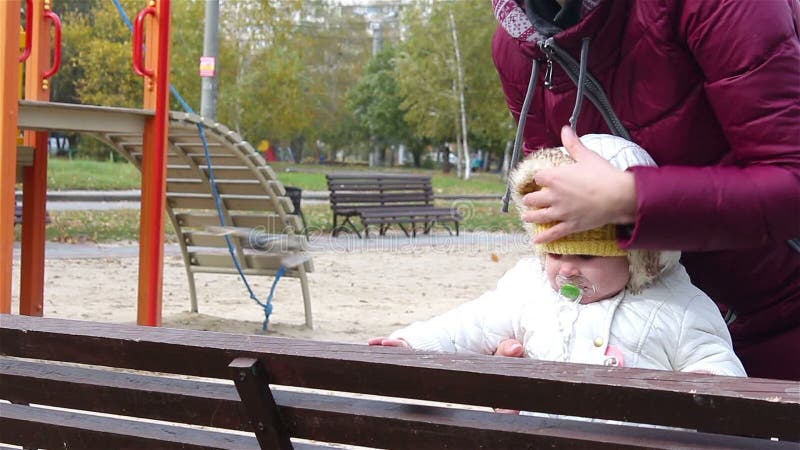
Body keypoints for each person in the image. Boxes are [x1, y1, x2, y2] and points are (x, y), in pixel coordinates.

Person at [490, 0, 800, 380]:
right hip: (653, 328)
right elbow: (562, 224)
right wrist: (537, 337)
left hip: (783, 311)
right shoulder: (519, 44)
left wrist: (630, 201)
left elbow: (791, 181)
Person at [370, 134, 746, 377]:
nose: (566, 269)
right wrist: (413, 345)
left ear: (640, 255)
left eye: (586, 256)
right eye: (554, 253)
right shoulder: (528, 291)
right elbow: (468, 325)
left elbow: (720, 382)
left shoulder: (680, 309)